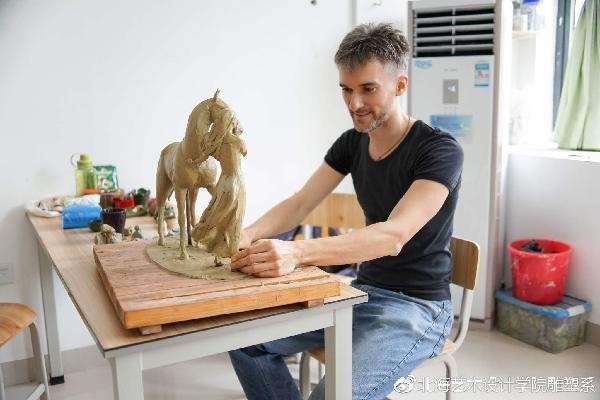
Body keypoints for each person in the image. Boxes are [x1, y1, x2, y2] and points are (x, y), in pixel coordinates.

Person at [228, 22, 463, 400]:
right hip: (361, 293)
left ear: (400, 85)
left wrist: (296, 252)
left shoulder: (439, 150)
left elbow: (394, 235)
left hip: (418, 308)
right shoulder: (353, 143)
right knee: (245, 341)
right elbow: (301, 203)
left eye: (368, 89)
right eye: (346, 89)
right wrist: (246, 234)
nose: (354, 104)